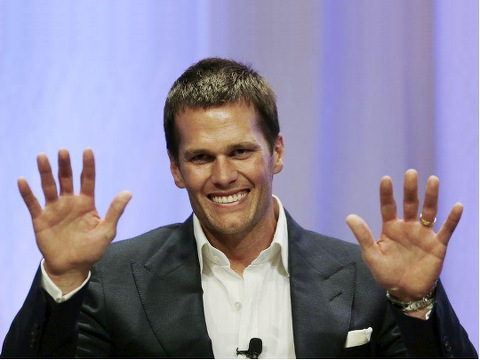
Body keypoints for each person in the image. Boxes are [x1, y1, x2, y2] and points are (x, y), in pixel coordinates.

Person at [1, 58, 476, 358]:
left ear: (278, 153)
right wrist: (62, 281)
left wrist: (416, 303)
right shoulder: (112, 281)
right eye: (201, 157)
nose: (224, 175)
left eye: (241, 151)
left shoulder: (368, 279)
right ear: (175, 169)